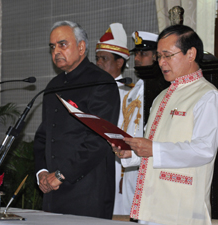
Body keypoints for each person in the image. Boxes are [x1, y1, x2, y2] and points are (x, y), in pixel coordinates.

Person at [113, 24, 218, 225]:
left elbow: (204, 150)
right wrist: (131, 153)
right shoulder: (161, 97)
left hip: (180, 209)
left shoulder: (208, 97)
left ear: (190, 54)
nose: (161, 63)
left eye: (167, 55)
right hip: (151, 205)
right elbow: (154, 147)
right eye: (159, 56)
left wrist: (152, 149)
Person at [33, 20, 120, 219]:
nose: (56, 51)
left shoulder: (102, 82)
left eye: (62, 44)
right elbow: (42, 137)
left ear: (81, 47)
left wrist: (61, 174)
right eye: (52, 47)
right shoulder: (53, 86)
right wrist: (42, 173)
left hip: (88, 191)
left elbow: (99, 139)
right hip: (52, 191)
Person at [119, 31, 158, 215]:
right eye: (136, 54)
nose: (137, 59)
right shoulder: (133, 91)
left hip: (150, 163)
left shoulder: (160, 89)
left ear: (157, 57)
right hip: (130, 165)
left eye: (143, 54)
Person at [95, 22, 131, 215]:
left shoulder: (131, 93)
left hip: (122, 162)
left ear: (119, 63)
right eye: (97, 58)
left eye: (104, 59)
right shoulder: (91, 91)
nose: (98, 63)